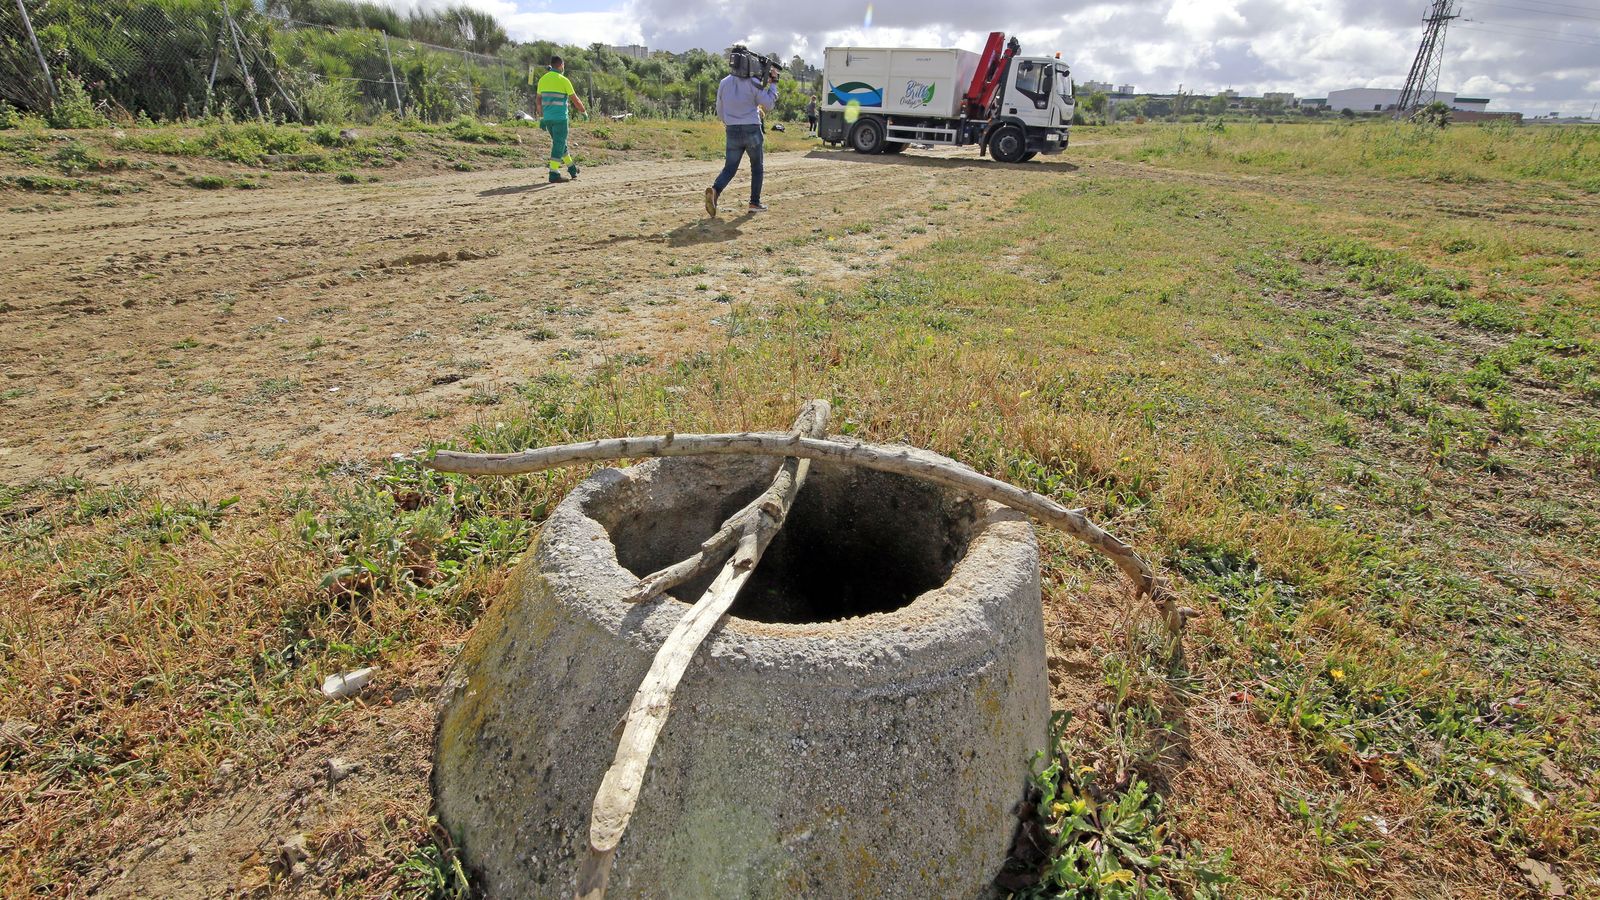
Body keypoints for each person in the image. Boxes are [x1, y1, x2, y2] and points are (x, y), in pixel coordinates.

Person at [705, 61, 779, 217]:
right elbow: (769, 104)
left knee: (729, 168)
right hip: (751, 127)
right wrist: (773, 84)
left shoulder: (724, 82)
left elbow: (719, 108)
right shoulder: (753, 82)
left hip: (732, 129)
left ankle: (715, 191)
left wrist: (729, 122)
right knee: (757, 167)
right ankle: (754, 202)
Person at [533, 55, 586, 183]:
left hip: (548, 119)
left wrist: (541, 117)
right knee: (558, 144)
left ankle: (572, 169)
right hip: (561, 119)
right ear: (561, 65)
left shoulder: (542, 80)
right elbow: (575, 99)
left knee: (561, 144)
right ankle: (554, 173)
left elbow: (538, 101)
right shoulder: (564, 80)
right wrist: (583, 112)